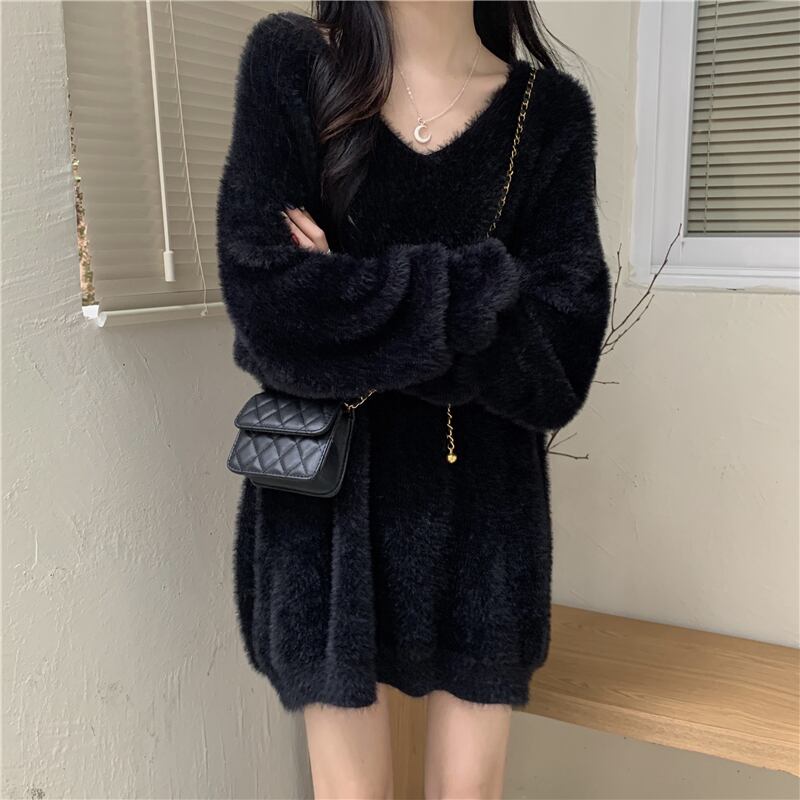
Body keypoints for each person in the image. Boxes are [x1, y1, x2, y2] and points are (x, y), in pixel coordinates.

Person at [217, 2, 611, 797]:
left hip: (484, 515)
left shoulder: (548, 113)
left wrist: (346, 293)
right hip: (328, 511)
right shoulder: (292, 63)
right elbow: (269, 309)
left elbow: (558, 361)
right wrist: (482, 292)